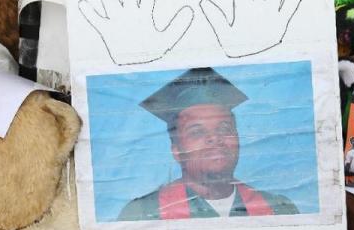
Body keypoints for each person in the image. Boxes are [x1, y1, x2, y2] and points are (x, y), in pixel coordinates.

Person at [118, 67, 298, 221]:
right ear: (177, 151)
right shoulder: (142, 214)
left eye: (224, 128)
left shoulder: (279, 210)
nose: (215, 138)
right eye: (197, 132)